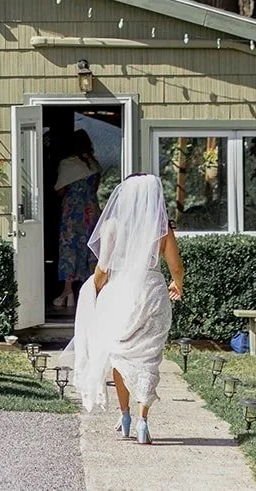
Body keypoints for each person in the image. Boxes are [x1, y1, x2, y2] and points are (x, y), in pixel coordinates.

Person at [62, 173, 185, 445]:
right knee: (148, 358)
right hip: (152, 292)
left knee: (118, 354)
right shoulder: (161, 227)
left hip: (120, 294)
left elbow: (103, 269)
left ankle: (125, 415)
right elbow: (176, 267)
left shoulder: (113, 226)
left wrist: (93, 289)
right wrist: (178, 284)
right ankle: (143, 421)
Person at [52, 137, 102, 309]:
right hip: (91, 211)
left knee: (69, 248)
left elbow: (59, 190)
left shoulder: (67, 164)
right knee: (91, 248)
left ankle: (68, 291)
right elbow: (95, 188)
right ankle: (92, 289)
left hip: (72, 212)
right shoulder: (93, 164)